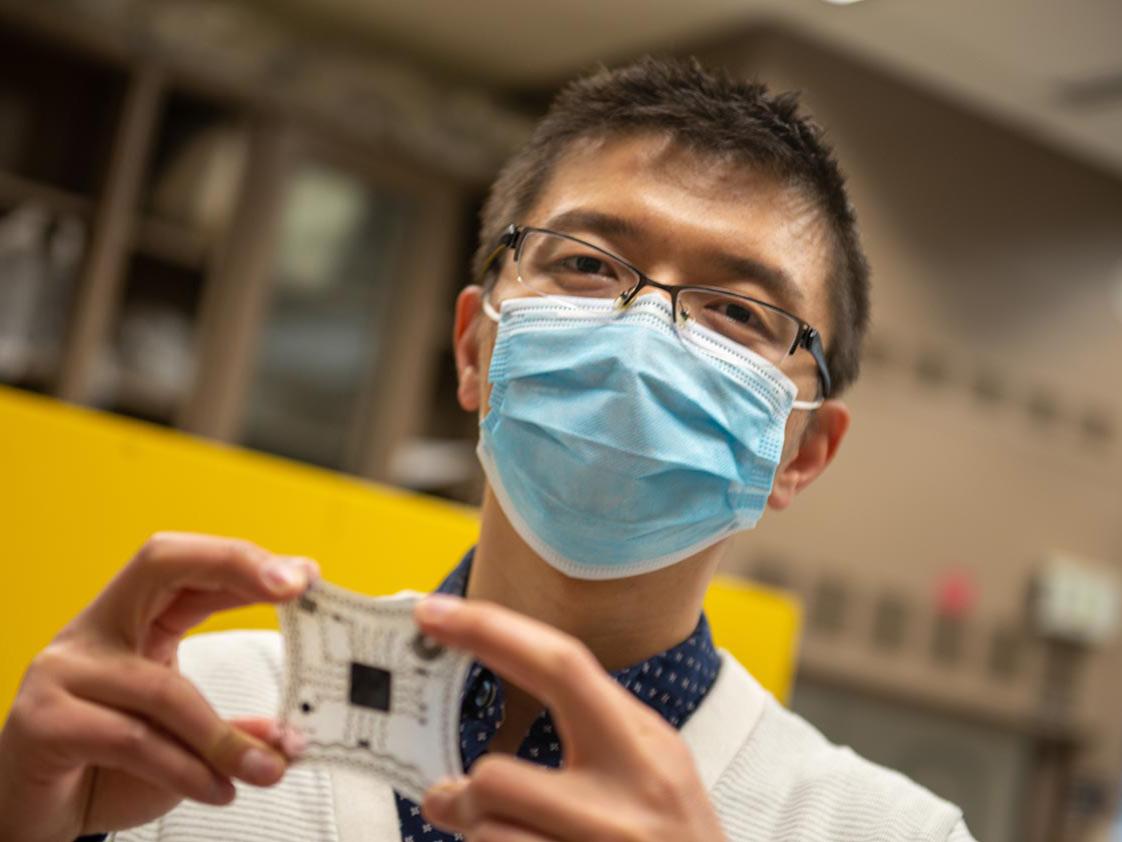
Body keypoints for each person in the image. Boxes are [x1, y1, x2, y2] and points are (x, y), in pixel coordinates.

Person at [0, 58, 977, 842]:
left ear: (801, 451)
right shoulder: (197, 714)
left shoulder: (886, 827)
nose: (644, 341)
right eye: (589, 264)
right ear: (477, 345)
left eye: (737, 311)